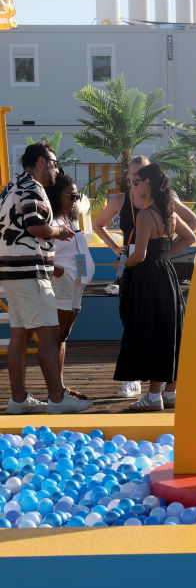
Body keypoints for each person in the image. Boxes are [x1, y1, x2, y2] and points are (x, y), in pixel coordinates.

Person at [94, 155, 196, 400]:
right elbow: (190, 237)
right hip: (167, 274)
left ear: (148, 183)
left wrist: (121, 260)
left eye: (138, 180)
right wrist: (163, 254)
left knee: (146, 330)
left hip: (145, 277)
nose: (134, 184)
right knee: (169, 330)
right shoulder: (167, 211)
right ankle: (170, 392)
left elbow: (139, 255)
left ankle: (152, 395)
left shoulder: (146, 215)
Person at [0, 143, 91, 414]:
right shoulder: (32, 188)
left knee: (19, 335)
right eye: (53, 163)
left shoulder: (10, 187)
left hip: (11, 272)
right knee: (50, 334)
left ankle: (19, 400)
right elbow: (34, 225)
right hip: (30, 272)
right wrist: (58, 231)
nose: (56, 169)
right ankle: (57, 399)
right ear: (40, 162)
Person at [46, 174, 96, 400]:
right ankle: (55, 391)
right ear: (57, 196)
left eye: (77, 196)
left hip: (76, 282)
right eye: (71, 195)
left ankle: (61, 386)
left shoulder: (69, 220)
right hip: (62, 282)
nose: (75, 200)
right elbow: (38, 248)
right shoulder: (50, 221)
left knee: (64, 335)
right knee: (56, 335)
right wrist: (52, 269)